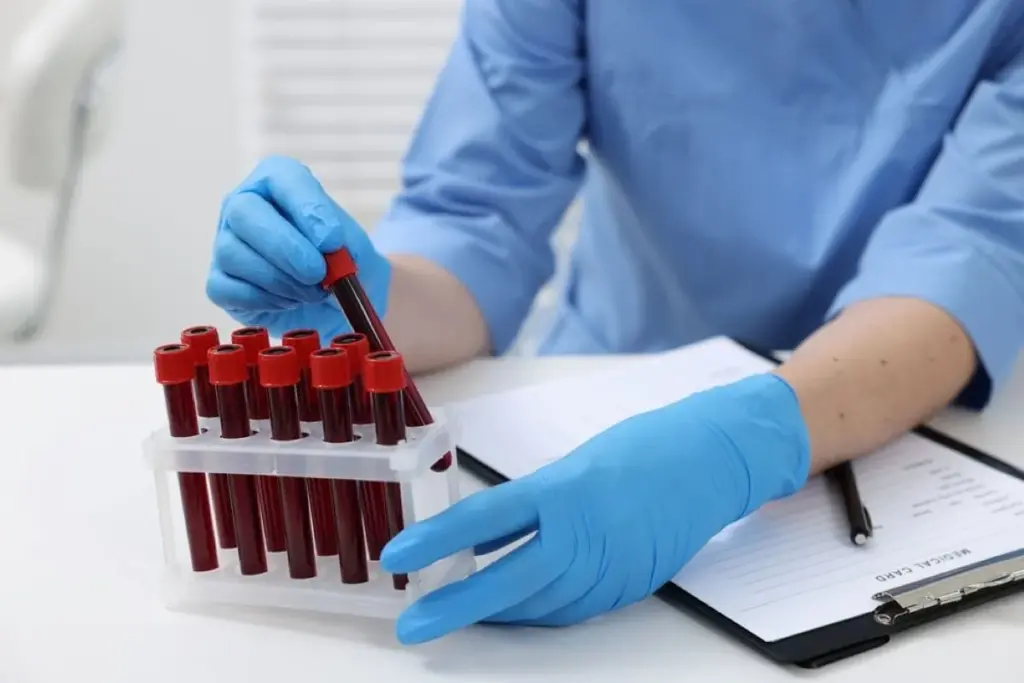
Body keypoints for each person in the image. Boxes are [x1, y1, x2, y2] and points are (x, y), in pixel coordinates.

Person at [207, 1, 1024, 645]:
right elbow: (479, 214)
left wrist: (742, 444)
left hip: (907, 408)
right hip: (592, 388)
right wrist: (370, 303)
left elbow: (971, 257)